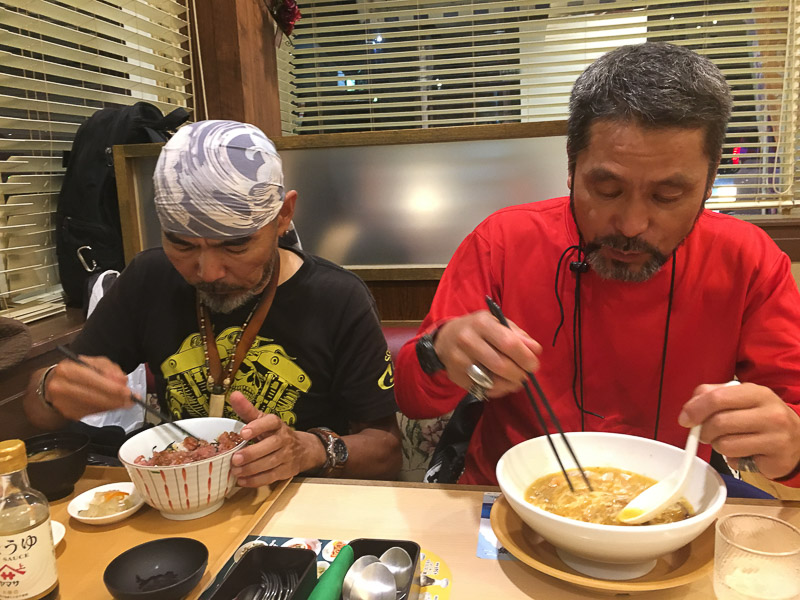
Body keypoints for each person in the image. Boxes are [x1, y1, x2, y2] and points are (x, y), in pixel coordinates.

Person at [395, 42, 800, 488]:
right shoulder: (503, 240)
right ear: (572, 165)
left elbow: (793, 414)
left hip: (668, 498)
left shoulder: (748, 259)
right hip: (506, 493)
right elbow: (413, 397)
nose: (631, 225)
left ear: (709, 180)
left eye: (667, 196)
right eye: (607, 190)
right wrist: (441, 352)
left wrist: (791, 445)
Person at [24, 120, 402, 486]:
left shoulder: (337, 297)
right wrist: (51, 390)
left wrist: (311, 449)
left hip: (295, 503)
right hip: (178, 495)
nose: (208, 272)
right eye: (182, 244)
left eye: (235, 245)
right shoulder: (147, 279)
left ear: (283, 216)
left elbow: (386, 451)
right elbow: (40, 412)